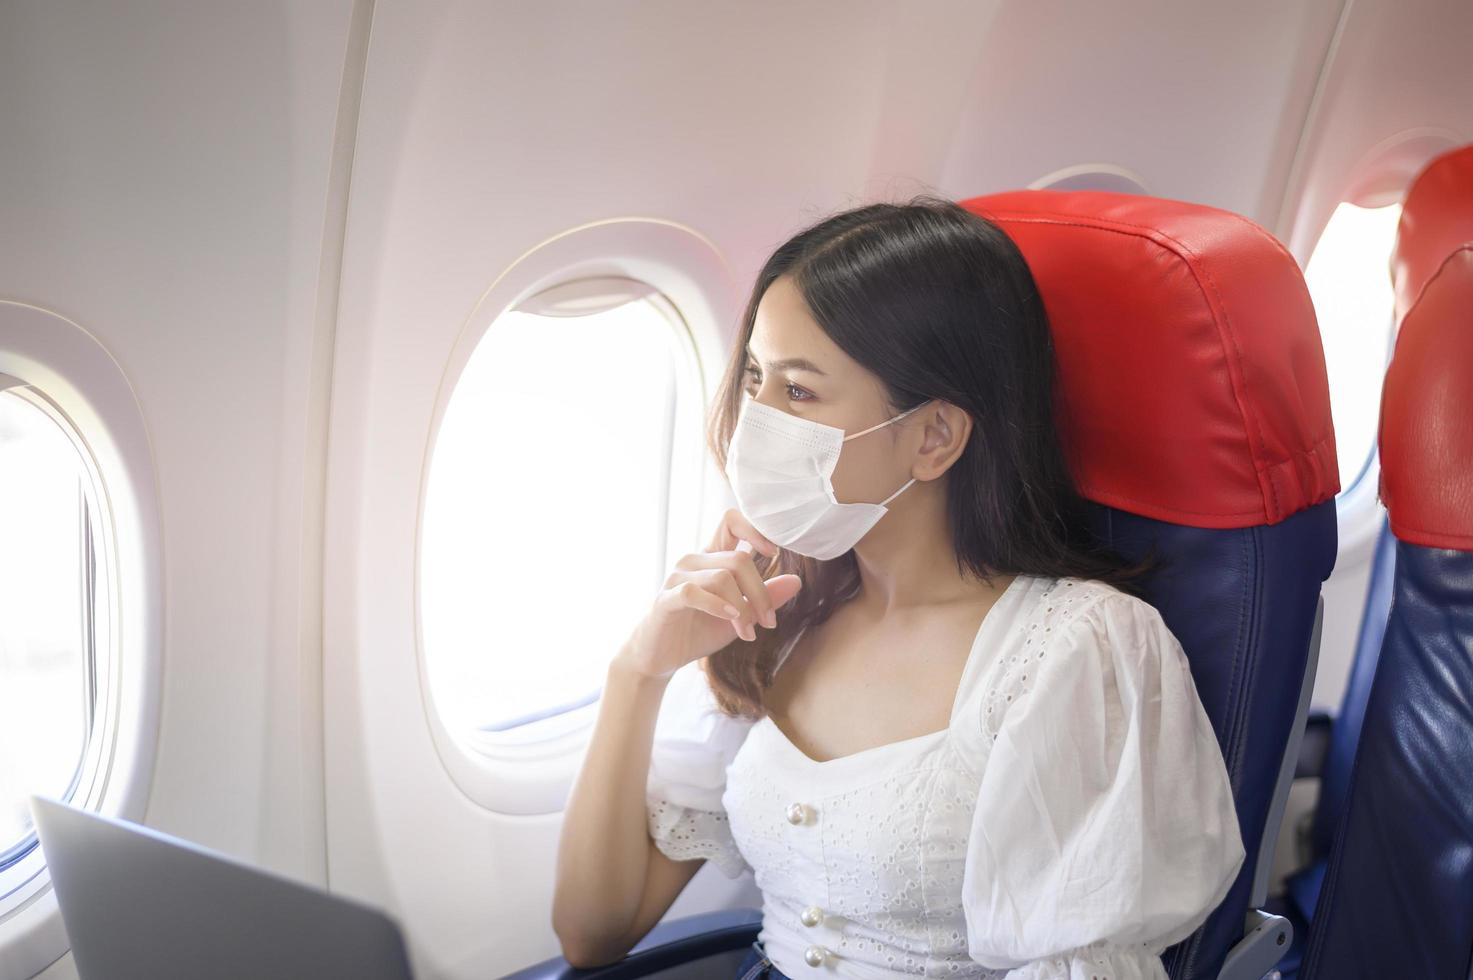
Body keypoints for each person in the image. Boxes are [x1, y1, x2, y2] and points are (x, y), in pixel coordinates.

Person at [551, 195, 1245, 979]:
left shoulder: (1075, 648)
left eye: (799, 392)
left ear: (933, 437)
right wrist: (637, 672)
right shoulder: (778, 610)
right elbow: (592, 934)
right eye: (753, 377)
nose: (754, 420)